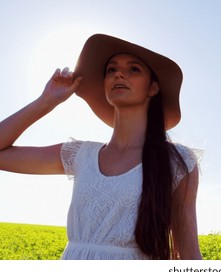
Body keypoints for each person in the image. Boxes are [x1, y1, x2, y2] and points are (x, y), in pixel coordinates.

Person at [0, 34, 202, 260]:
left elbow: (188, 253)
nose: (118, 73)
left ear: (153, 87)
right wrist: (46, 101)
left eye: (133, 69)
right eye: (110, 70)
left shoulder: (177, 162)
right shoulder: (80, 155)